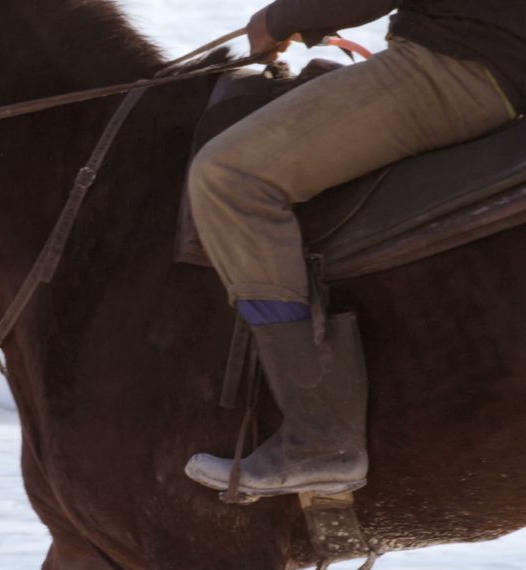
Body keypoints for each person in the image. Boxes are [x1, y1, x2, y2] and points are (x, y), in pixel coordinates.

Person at [183, 0, 524, 498]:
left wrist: (282, 18)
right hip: (490, 59)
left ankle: (318, 438)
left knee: (231, 177)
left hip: (460, 62)